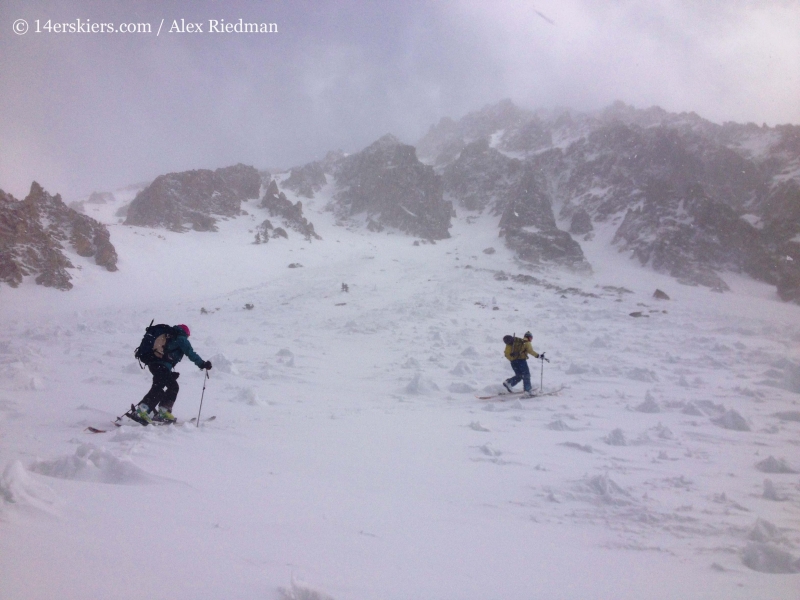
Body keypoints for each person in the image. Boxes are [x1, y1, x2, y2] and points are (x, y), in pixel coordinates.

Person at [134, 324, 211, 424]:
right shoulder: (182, 339)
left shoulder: (169, 336)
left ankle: (149, 409)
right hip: (160, 365)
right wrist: (202, 364)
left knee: (161, 386)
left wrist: (169, 373)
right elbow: (190, 353)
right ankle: (151, 411)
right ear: (186, 334)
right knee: (172, 386)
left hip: (154, 364)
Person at [502, 331, 540, 397]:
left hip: (513, 362)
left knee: (519, 375)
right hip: (521, 361)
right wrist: (538, 355)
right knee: (526, 375)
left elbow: (506, 353)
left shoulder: (515, 343)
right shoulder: (526, 342)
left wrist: (513, 359)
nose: (531, 339)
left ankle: (509, 383)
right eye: (531, 338)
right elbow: (530, 351)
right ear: (528, 337)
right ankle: (528, 391)